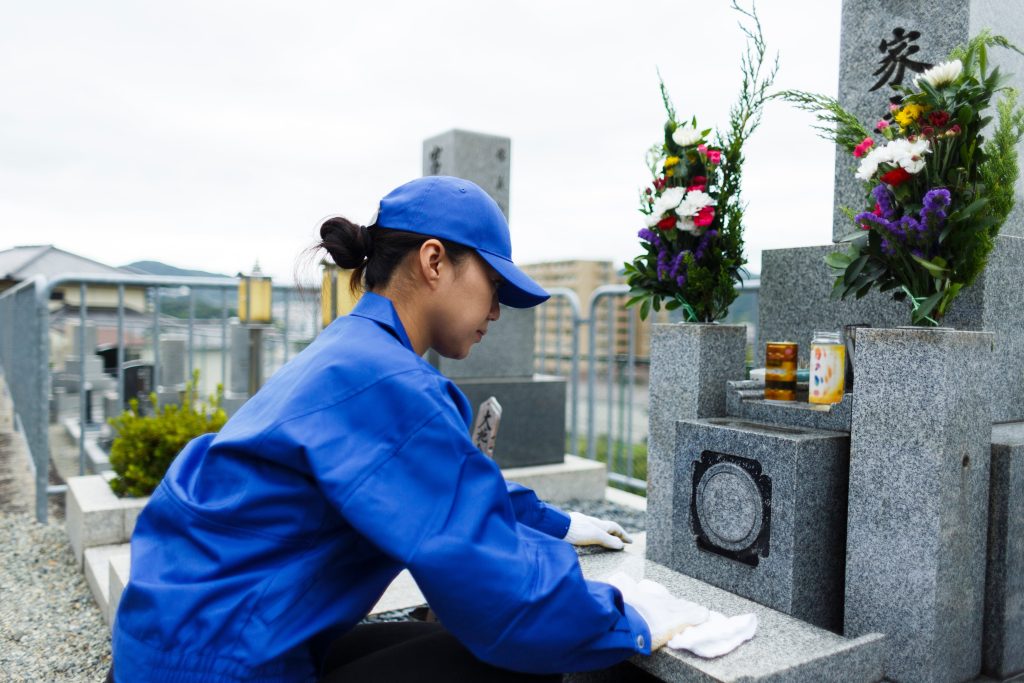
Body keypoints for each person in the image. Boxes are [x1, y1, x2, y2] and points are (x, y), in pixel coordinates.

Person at [110, 176, 693, 682]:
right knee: (511, 663)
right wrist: (633, 619)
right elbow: (507, 599)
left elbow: (445, 484)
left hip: (186, 646)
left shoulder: (355, 350)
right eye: (494, 285)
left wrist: (560, 524)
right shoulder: (390, 381)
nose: (496, 311)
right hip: (224, 667)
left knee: (437, 644)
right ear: (435, 261)